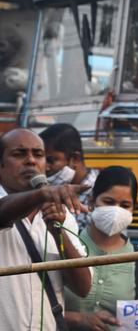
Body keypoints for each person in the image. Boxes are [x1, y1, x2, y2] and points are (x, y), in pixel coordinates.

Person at [0, 128, 92, 330]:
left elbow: (83, 287)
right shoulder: (6, 205)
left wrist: (57, 231)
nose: (31, 161)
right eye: (19, 154)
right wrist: (42, 195)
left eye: (39, 155)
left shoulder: (61, 214)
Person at [63, 166, 138, 330]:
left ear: (134, 208)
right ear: (91, 202)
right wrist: (77, 319)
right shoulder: (64, 246)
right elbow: (36, 306)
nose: (116, 211)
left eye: (125, 205)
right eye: (108, 202)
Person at [40, 123, 100, 229]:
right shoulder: (48, 190)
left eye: (50, 160)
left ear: (75, 158)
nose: (45, 168)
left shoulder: (102, 192)